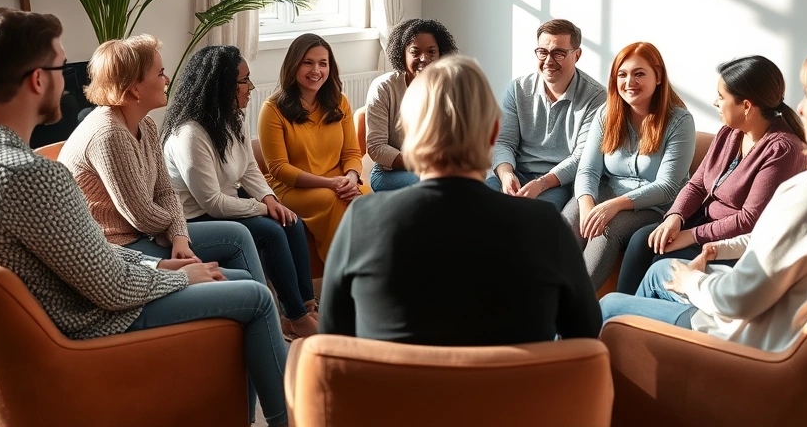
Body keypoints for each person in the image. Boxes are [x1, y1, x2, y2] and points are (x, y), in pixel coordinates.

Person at [0, 8, 288, 426]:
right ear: (38, 79)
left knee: (238, 281)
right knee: (256, 297)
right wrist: (179, 276)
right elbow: (111, 290)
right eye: (62, 67)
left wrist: (155, 262)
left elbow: (87, 254)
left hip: (66, 304)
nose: (69, 82)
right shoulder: (32, 176)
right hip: (87, 323)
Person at [600, 39, 807, 353]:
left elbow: (739, 301)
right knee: (660, 271)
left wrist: (692, 281)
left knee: (610, 307)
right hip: (788, 307)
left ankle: (635, 372)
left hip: (754, 341)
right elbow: (791, 240)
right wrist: (717, 245)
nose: (802, 109)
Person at [320, 55, 602, 344]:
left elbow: (331, 342)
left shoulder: (362, 219)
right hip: (512, 388)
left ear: (410, 133)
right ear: (493, 133)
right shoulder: (545, 224)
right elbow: (585, 336)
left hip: (398, 388)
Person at [59, 35, 268, 285]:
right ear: (135, 89)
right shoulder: (109, 134)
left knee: (239, 239)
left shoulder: (145, 124)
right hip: (118, 250)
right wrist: (177, 227)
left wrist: (179, 236)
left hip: (145, 236)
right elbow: (143, 216)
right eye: (160, 73)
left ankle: (268, 307)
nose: (167, 80)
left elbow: (165, 191)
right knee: (244, 279)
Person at [161, 45, 319, 340]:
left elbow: (248, 168)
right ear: (223, 85)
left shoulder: (232, 118)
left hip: (225, 205)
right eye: (244, 80)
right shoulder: (190, 134)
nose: (251, 87)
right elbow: (213, 203)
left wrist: (271, 200)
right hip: (194, 220)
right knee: (270, 230)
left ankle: (306, 308)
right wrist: (262, 209)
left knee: (291, 220)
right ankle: (295, 316)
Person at [614, 55, 807, 294]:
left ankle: (638, 322)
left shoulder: (782, 149)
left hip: (734, 245)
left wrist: (692, 236)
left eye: (721, 96)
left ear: (746, 106)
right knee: (642, 241)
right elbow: (697, 184)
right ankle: (618, 318)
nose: (715, 102)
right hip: (702, 224)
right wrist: (675, 217)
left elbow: (750, 220)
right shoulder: (729, 132)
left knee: (665, 263)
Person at [563, 42, 695, 291]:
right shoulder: (607, 113)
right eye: (622, 75)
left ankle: (575, 309)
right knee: (568, 221)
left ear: (658, 76)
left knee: (606, 231)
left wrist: (614, 206)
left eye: (639, 74)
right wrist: (587, 206)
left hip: (655, 206)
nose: (629, 82)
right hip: (609, 193)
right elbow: (588, 169)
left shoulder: (680, 121)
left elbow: (667, 187)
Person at [258, 33, 369, 262]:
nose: (316, 70)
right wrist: (331, 183)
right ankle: (343, 277)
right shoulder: (272, 109)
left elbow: (351, 152)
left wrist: (350, 177)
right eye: (307, 62)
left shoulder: (340, 101)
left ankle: (376, 272)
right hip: (292, 189)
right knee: (333, 200)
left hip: (337, 182)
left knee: (368, 198)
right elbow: (279, 169)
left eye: (323, 63)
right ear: (293, 64)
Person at [488, 19, 607, 211]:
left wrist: (542, 183)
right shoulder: (518, 89)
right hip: (515, 172)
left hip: (556, 182)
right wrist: (506, 174)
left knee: (534, 222)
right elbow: (503, 142)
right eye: (542, 52)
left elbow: (581, 158)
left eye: (558, 53)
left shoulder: (596, 97)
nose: (548, 61)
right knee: (475, 211)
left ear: (577, 55)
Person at [365, 18, 458, 191]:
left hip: (438, 169)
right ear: (402, 54)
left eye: (431, 52)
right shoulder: (383, 88)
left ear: (440, 54)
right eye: (415, 52)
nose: (424, 58)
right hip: (389, 172)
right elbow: (376, 147)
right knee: (436, 187)